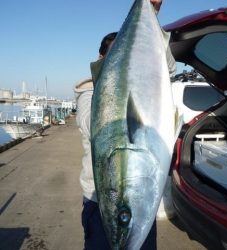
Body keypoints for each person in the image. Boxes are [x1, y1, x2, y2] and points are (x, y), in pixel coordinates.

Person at [74, 0, 176, 249]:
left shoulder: (150, 69)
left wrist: (152, 12)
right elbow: (90, 123)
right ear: (101, 59)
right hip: (100, 205)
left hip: (139, 208)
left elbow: (168, 70)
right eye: (112, 56)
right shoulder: (89, 95)